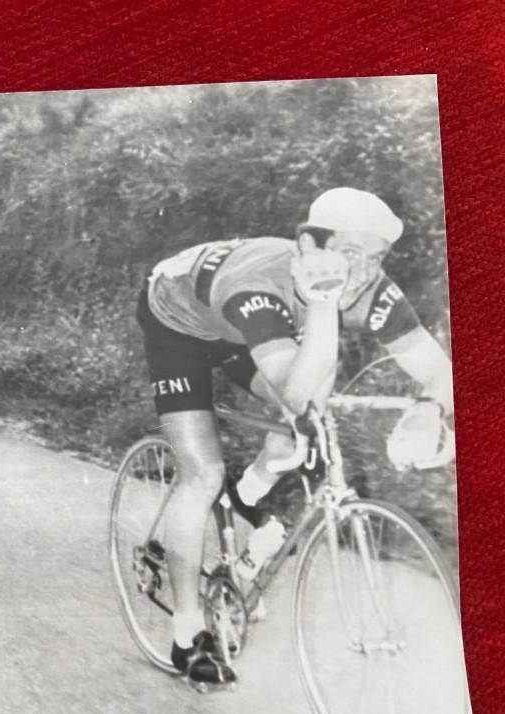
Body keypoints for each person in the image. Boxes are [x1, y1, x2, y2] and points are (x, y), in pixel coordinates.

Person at [137, 187, 454, 687]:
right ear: (309, 246)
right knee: (203, 475)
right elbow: (295, 389)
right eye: (350, 253)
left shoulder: (373, 290)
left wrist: (429, 408)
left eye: (375, 257)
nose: (364, 271)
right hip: (180, 321)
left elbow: (442, 371)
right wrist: (323, 305)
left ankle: (248, 494)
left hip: (252, 332)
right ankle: (187, 632)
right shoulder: (258, 287)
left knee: (305, 423)